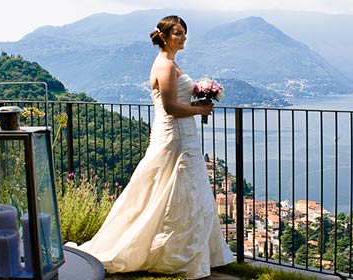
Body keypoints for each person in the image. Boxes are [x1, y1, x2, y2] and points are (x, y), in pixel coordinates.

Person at [69, 15, 234, 279]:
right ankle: (172, 254)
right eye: (178, 33)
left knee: (186, 192)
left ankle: (189, 251)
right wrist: (199, 108)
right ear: (166, 36)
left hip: (183, 135)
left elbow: (177, 99)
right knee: (178, 191)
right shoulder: (166, 66)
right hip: (176, 136)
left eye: (184, 33)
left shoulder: (171, 64)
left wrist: (201, 94)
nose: (183, 37)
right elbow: (170, 107)